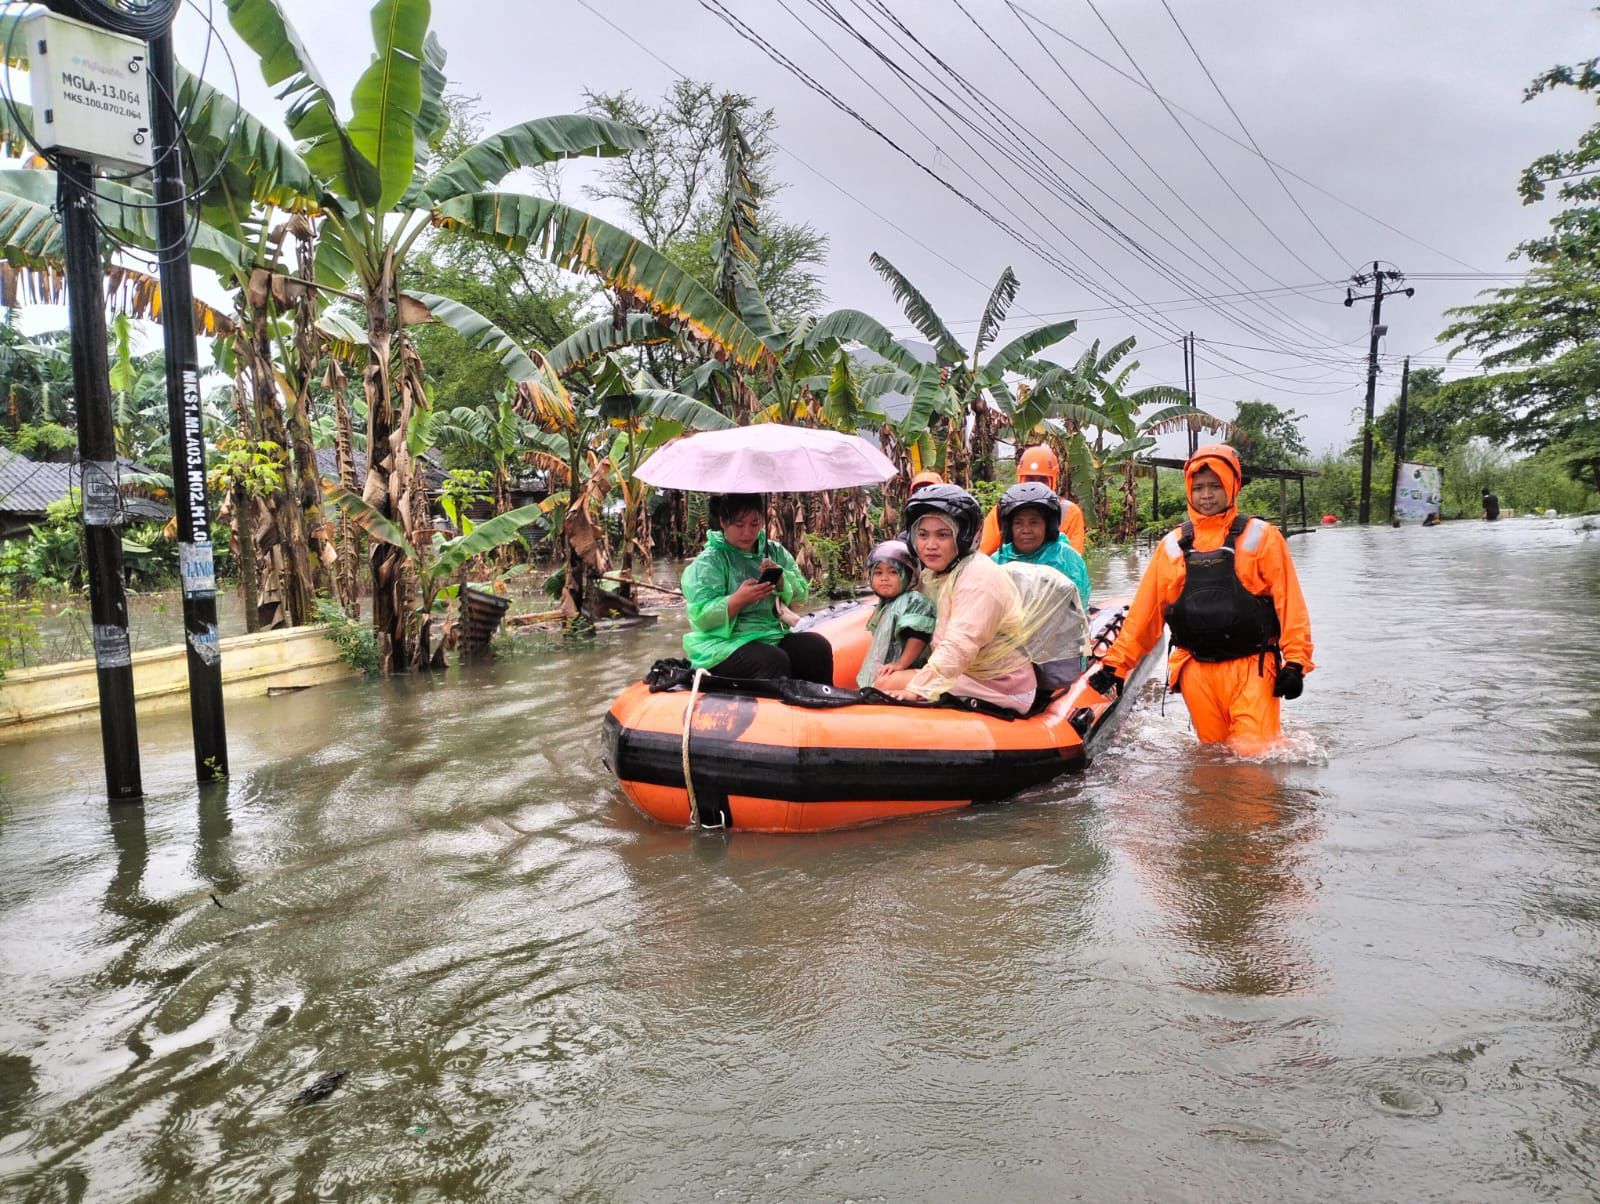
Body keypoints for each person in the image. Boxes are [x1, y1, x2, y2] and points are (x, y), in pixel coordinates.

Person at [1086, 444, 1314, 754]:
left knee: (1254, 760)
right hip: (1196, 669)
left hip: (1253, 667)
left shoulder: (1262, 537)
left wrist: (1296, 663)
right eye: (1199, 487)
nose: (1206, 495)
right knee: (1214, 760)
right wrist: (1116, 666)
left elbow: (1290, 604)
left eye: (1215, 486)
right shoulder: (1172, 545)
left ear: (1232, 485)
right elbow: (1146, 613)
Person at [876, 484, 1037, 713]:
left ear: (963, 537)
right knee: (885, 677)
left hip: (1002, 686)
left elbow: (960, 645)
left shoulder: (979, 578)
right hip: (968, 673)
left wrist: (918, 689)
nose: (930, 545)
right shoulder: (934, 574)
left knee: (885, 685)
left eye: (942, 535)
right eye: (923, 535)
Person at [680, 493, 833, 683]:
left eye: (754, 524)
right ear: (723, 521)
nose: (747, 532)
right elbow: (701, 618)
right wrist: (738, 600)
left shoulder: (774, 551)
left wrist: (781, 579)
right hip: (722, 644)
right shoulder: (709, 563)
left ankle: (822, 704)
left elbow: (802, 595)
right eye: (739, 525)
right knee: (773, 660)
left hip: (770, 634)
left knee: (816, 647)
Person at [990, 481, 1092, 608]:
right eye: (1018, 523)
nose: (1026, 530)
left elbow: (1078, 606)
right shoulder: (997, 560)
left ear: (1048, 526)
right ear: (1009, 528)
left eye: (1034, 522)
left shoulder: (1067, 558)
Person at [978, 444, 1088, 556]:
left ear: (1053, 481)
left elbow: (1073, 561)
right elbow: (981, 553)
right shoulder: (1002, 510)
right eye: (1029, 479)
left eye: (1042, 480)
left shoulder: (1070, 512)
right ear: (1020, 480)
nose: (1035, 487)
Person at [855, 539, 936, 689]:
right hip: (888, 668)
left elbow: (918, 636)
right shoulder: (886, 605)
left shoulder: (913, 600)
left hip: (908, 669)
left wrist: (901, 663)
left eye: (893, 572)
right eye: (878, 573)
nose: (884, 578)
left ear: (909, 576)